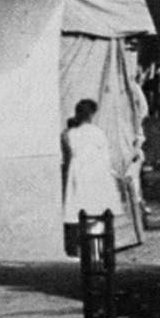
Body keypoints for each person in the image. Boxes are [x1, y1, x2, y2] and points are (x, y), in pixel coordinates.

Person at [62, 98, 119, 254]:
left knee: (81, 213)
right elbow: (106, 158)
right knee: (97, 214)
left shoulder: (70, 134)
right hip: (97, 175)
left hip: (79, 175)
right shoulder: (98, 133)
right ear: (92, 115)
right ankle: (97, 253)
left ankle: (83, 252)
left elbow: (68, 155)